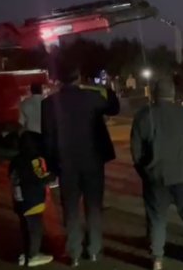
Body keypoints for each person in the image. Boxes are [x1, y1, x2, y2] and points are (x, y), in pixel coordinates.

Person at [130, 77, 183, 270]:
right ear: (173, 94)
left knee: (156, 218)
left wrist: (145, 172)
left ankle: (157, 259)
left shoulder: (142, 116)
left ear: (153, 94)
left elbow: (135, 152)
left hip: (155, 177)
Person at [41, 63, 120, 267]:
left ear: (59, 80)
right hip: (93, 159)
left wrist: (51, 164)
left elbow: (47, 137)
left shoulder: (49, 103)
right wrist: (109, 88)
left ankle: (74, 252)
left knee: (70, 208)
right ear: (78, 78)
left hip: (65, 163)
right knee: (93, 206)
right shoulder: (92, 98)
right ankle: (94, 249)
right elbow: (114, 109)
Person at [10, 130, 54, 267]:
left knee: (25, 228)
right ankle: (33, 255)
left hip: (19, 200)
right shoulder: (35, 160)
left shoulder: (15, 160)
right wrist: (52, 176)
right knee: (35, 229)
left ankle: (26, 253)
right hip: (33, 200)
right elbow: (41, 177)